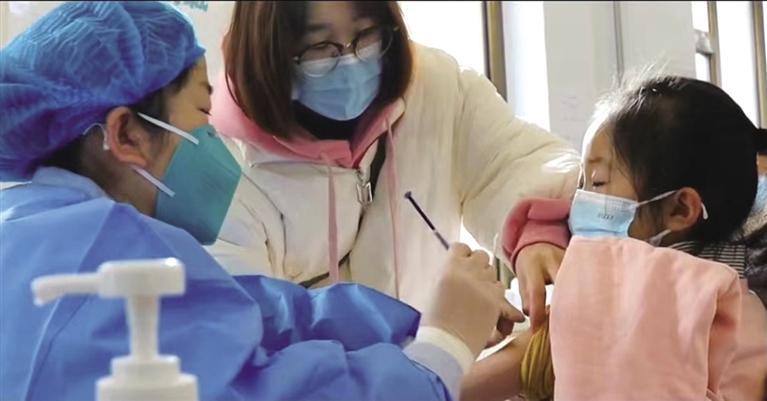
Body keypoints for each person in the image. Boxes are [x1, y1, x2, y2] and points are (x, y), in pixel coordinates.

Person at [0, 3, 524, 400]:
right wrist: (443, 348)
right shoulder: (105, 263)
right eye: (201, 115)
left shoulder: (46, 231)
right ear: (127, 135)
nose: (213, 140)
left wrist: (417, 318)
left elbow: (257, 309)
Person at [208, 1, 580, 311]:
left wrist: (537, 232)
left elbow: (511, 162)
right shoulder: (221, 173)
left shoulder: (437, 87)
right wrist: (446, 343)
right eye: (320, 46)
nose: (351, 61)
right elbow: (252, 343)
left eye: (366, 33)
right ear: (269, 52)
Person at [462, 76, 767, 401]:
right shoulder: (749, 312)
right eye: (580, 183)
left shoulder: (619, 307)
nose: (578, 201)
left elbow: (441, 390)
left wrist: (452, 333)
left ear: (680, 208)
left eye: (597, 182)